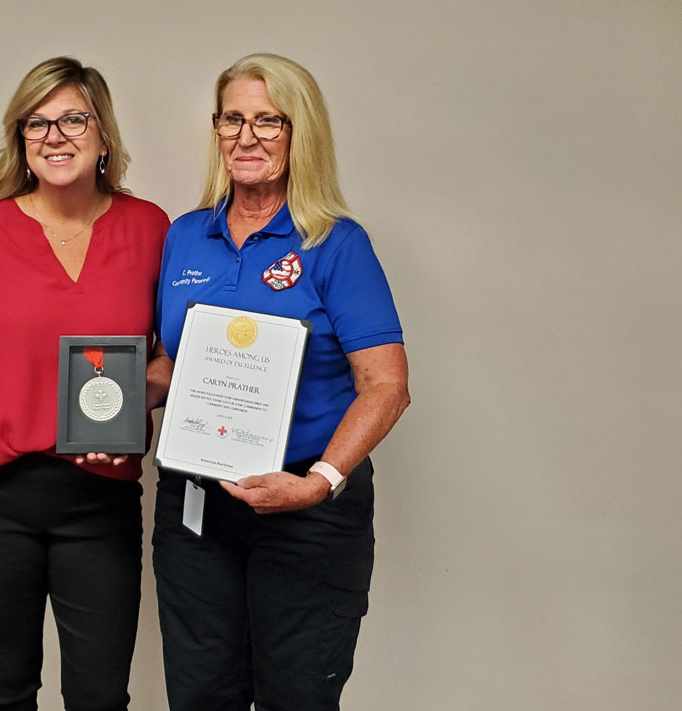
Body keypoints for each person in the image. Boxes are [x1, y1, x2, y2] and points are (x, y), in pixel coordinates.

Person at [0, 56, 169, 711]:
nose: (56, 135)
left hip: (100, 498)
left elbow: (171, 358)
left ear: (104, 136)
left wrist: (135, 398)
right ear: (20, 141)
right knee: (4, 689)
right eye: (37, 123)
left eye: (74, 118)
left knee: (100, 696)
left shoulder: (151, 229)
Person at [147, 53, 411, 711]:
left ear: (301, 133)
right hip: (198, 504)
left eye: (269, 120)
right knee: (202, 694)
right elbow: (171, 366)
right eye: (233, 118)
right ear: (216, 129)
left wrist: (319, 482)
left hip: (304, 503)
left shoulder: (336, 243)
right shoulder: (186, 237)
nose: (247, 136)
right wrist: (92, 403)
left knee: (297, 695)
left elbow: (385, 384)